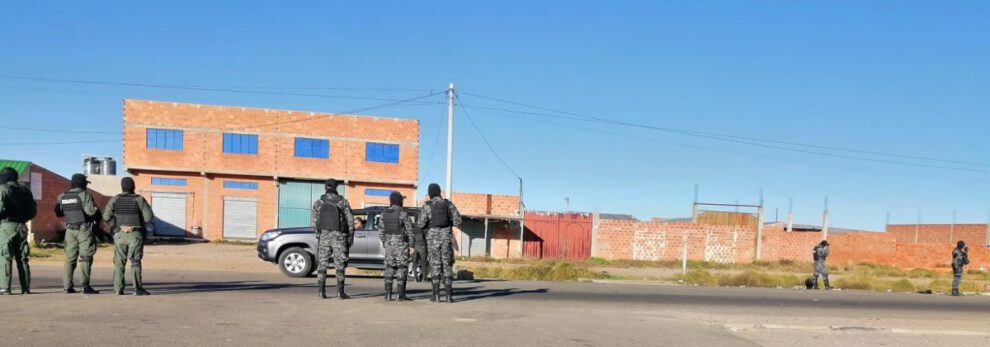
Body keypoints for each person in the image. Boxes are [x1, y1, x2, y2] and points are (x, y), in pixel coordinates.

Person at [102, 177, 154, 296]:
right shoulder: (139, 199)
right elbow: (149, 217)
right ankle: (137, 289)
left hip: (119, 235)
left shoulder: (114, 199)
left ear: (122, 186)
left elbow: (105, 217)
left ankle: (118, 289)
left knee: (119, 262)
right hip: (135, 234)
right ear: (133, 186)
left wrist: (117, 226)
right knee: (135, 262)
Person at [55, 173, 101, 294]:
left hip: (70, 230)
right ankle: (85, 286)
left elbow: (58, 212)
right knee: (85, 257)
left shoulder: (64, 196)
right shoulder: (84, 195)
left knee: (70, 258)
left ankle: (67, 286)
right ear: (82, 183)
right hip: (83, 230)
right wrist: (96, 209)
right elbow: (90, 212)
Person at [415, 183, 462, 303]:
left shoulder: (427, 205)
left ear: (430, 193)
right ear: (439, 192)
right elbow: (458, 220)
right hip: (446, 238)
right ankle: (449, 296)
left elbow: (420, 224)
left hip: (432, 240)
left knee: (435, 265)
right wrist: (448, 221)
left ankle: (436, 296)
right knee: (446, 265)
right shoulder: (448, 204)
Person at [311, 178, 354, 299]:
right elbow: (350, 219)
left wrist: (319, 234)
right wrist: (350, 235)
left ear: (325, 187)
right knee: (340, 264)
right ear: (336, 187)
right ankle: (340, 292)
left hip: (324, 236)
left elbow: (314, 222)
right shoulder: (342, 202)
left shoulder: (319, 202)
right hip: (339, 236)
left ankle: (321, 292)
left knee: (322, 264)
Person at [0, 167, 37, 295]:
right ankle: (25, 287)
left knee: (5, 257)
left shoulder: (3, 189)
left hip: (7, 226)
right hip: (22, 226)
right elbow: (33, 212)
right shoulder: (26, 191)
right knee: (22, 258)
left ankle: (5, 287)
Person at [377, 191, 414, 301]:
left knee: (389, 267)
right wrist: (411, 245)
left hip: (389, 244)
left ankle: (387, 294)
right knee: (401, 268)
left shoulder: (384, 213)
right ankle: (400, 294)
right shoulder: (403, 213)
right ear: (399, 200)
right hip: (401, 244)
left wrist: (385, 242)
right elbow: (410, 230)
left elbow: (380, 231)